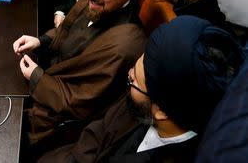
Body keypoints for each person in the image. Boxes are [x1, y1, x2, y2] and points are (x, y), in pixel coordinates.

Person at [38, 16, 245, 162]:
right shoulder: (141, 98)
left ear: (162, 111)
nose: (129, 74)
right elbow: (98, 131)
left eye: (136, 80)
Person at [13, 0, 149, 143]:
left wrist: (35, 75)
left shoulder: (124, 44)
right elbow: (68, 30)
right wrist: (41, 41)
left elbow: (77, 103)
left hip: (54, 124)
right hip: (44, 86)